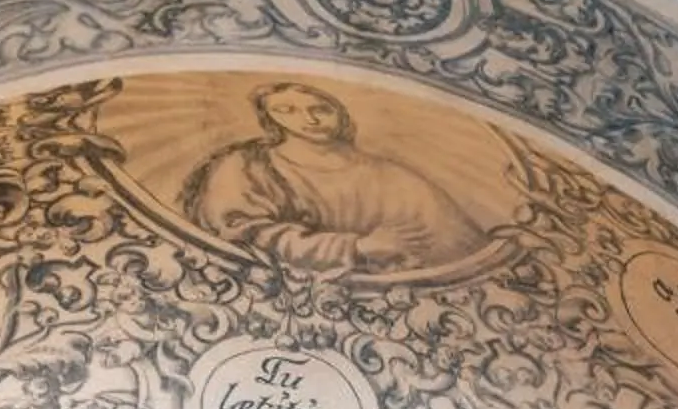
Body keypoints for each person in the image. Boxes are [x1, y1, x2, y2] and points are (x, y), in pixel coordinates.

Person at [178, 81, 491, 276]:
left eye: (321, 109)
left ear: (340, 115)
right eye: (287, 110)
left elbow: (456, 241)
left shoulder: (391, 176)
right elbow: (241, 233)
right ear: (269, 118)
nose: (309, 119)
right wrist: (356, 248)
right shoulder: (247, 166)